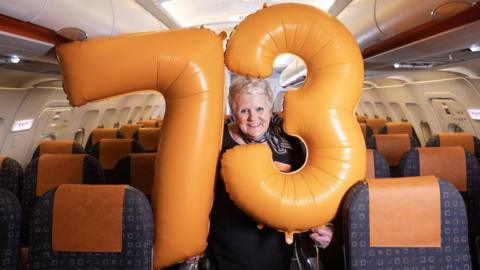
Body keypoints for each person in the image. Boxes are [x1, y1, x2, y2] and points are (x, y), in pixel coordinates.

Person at [205, 76, 334, 270]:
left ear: (270, 107)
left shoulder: (290, 141)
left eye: (259, 109)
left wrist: (323, 226)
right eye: (244, 110)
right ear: (233, 111)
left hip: (275, 246)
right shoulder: (215, 141)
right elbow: (198, 195)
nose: (253, 117)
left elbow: (307, 189)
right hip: (227, 247)